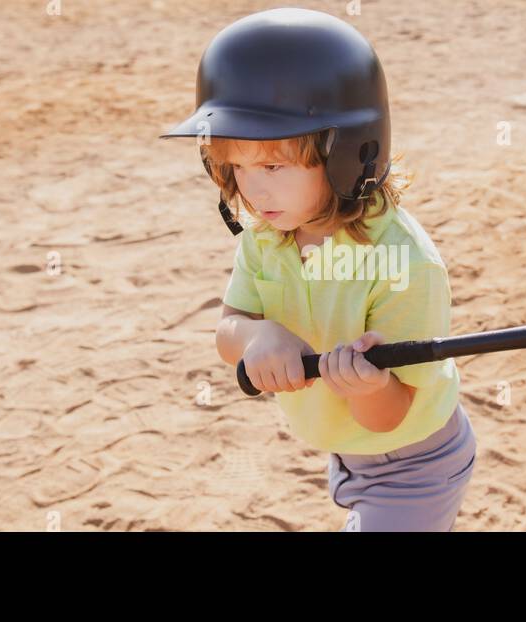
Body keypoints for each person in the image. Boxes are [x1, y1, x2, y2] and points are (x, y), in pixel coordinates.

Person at [161, 8, 475, 532]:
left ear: (348, 154)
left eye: (273, 166)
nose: (253, 191)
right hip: (345, 453)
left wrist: (367, 387)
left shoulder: (403, 264)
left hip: (415, 462)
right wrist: (258, 336)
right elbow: (229, 327)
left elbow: (388, 417)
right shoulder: (266, 237)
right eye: (237, 166)